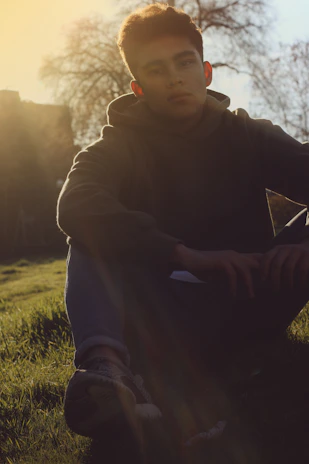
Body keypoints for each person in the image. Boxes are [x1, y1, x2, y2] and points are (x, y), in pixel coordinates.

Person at [57, 3, 309, 442]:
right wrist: (185, 255)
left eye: (184, 62)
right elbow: (75, 203)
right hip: (163, 313)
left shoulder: (249, 135)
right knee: (88, 232)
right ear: (137, 87)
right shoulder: (116, 146)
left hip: (254, 291)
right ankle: (107, 375)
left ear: (206, 71)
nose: (174, 77)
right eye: (155, 70)